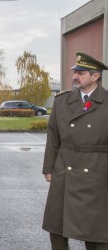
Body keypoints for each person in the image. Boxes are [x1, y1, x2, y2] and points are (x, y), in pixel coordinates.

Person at [42, 52, 108, 250]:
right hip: (65, 167)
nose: (75, 77)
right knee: (56, 225)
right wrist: (49, 167)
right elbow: (53, 136)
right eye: (74, 72)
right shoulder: (62, 101)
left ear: (96, 76)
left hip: (97, 169)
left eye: (81, 73)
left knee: (96, 229)